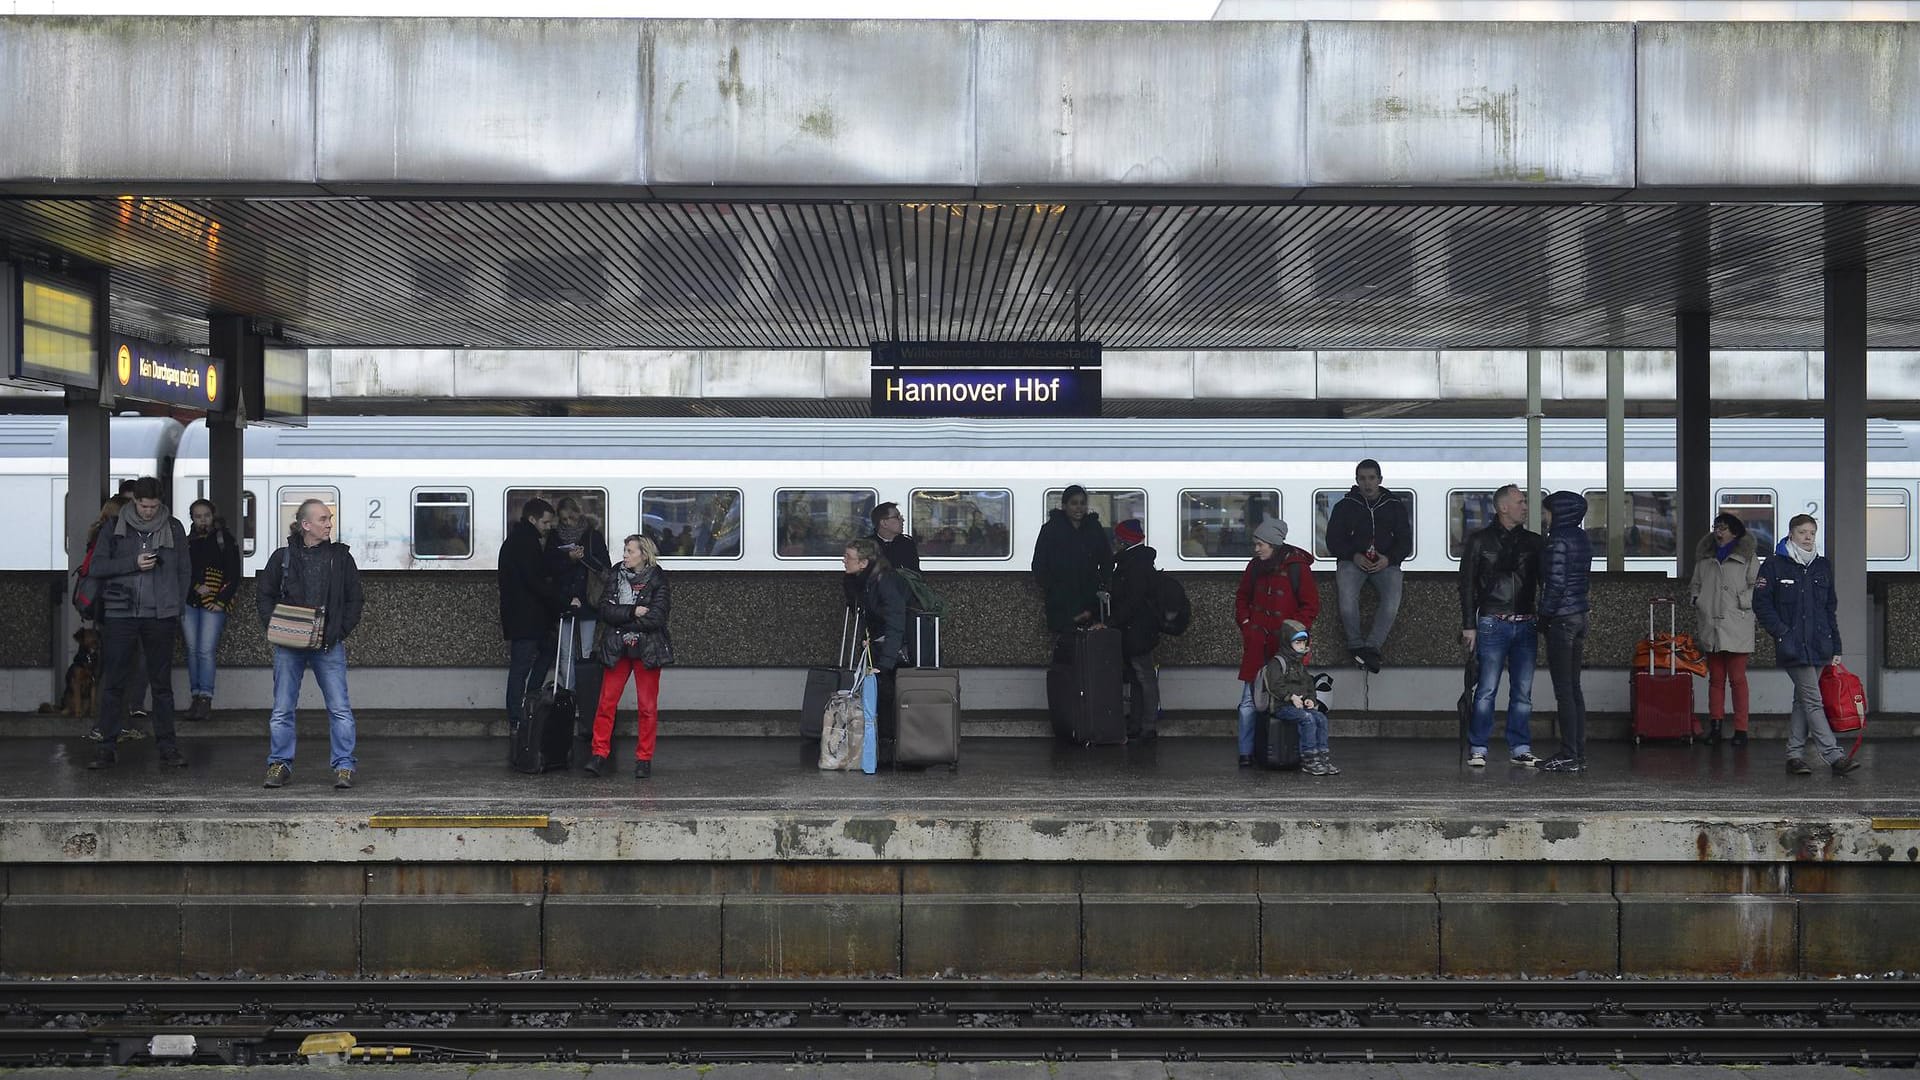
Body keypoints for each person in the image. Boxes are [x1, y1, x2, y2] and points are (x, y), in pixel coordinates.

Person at [82, 478, 191, 770]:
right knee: (115, 682)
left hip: (161, 615)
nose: (149, 512)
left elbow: (184, 570)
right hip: (121, 613)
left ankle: (168, 747)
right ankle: (106, 746)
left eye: (154, 507)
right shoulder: (114, 527)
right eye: (144, 506)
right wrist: (133, 562)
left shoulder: (175, 528)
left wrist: (176, 606)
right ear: (134, 502)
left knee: (161, 685)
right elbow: (96, 566)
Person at [257, 499, 366, 789]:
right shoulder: (282, 557)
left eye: (329, 518)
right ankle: (279, 763)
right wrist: (276, 626)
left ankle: (344, 766)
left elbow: (355, 599)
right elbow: (264, 594)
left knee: (339, 708)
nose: (329, 523)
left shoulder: (341, 558)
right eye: (322, 519)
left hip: (328, 644)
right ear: (306, 525)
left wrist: (338, 631)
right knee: (282, 708)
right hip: (288, 645)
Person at [1753, 514, 1859, 776]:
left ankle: (1794, 756)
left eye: (1812, 532)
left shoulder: (1822, 565)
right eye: (1802, 532)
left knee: (1802, 700)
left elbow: (1829, 608)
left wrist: (1836, 646)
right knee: (1813, 699)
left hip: (1821, 644)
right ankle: (1834, 756)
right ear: (1791, 535)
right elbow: (1761, 604)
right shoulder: (1774, 566)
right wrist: (1782, 633)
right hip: (1793, 645)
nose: (1808, 537)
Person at [1459, 484, 1544, 768]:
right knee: (1487, 690)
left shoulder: (1532, 542)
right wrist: (1469, 624)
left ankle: (1518, 746)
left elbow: (1544, 580)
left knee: (1522, 692)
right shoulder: (1480, 541)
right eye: (1520, 502)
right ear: (1503, 507)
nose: (1525, 506)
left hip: (1523, 621)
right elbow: (1467, 584)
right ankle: (1479, 746)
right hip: (1493, 622)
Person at [1234, 518, 1320, 767]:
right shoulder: (1255, 566)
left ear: (1273, 544)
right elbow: (1242, 598)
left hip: (1283, 648)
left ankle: (1291, 750)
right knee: (1249, 700)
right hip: (1258, 641)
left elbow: (1310, 605)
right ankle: (1245, 752)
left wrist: (1292, 633)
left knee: (1286, 696)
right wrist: (1248, 624)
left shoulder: (1297, 567)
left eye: (1260, 544)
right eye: (1256, 544)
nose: (1257, 549)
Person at [587, 534, 672, 780]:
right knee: (606, 704)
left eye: (629, 551)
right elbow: (605, 609)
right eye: (624, 550)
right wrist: (633, 611)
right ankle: (598, 754)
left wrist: (624, 622)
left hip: (647, 649)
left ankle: (644, 759)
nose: (624, 555)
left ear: (643, 555)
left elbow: (658, 616)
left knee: (647, 707)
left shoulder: (657, 578)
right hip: (617, 648)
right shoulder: (616, 574)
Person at [1324, 459, 1414, 673]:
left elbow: (1405, 541)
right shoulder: (1344, 506)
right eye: (1363, 478)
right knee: (1347, 602)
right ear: (1356, 480)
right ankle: (1356, 645)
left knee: (1392, 602)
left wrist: (1389, 559)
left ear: (1380, 480)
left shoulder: (1394, 506)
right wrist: (1353, 556)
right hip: (1352, 562)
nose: (1367, 483)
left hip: (1386, 562)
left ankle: (1371, 648)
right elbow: (1333, 540)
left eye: (1372, 478)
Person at [498, 497, 575, 733]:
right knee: (522, 666)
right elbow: (536, 580)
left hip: (525, 617)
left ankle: (527, 703)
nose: (549, 526)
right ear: (532, 519)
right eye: (545, 522)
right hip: (527, 618)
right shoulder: (525, 544)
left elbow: (537, 574)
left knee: (540, 653)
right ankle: (518, 717)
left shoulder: (520, 541)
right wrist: (563, 600)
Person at [1690, 512, 1760, 747]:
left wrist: (1743, 601)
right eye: (1716, 527)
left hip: (1737, 622)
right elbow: (1695, 585)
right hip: (1712, 623)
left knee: (1738, 679)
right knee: (1716, 679)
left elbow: (1757, 587)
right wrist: (1697, 599)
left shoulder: (1748, 558)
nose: (1718, 531)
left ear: (1735, 532)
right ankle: (1716, 727)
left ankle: (1741, 729)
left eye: (1723, 528)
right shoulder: (1705, 559)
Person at [1536, 491, 1593, 773]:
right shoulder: (1581, 537)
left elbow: (1555, 584)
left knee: (1564, 691)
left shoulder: (1557, 540)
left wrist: (1543, 617)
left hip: (1562, 619)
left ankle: (1568, 753)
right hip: (1580, 614)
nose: (1544, 517)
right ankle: (1578, 753)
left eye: (1547, 512)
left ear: (1558, 512)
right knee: (1574, 687)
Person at [843, 538, 908, 774]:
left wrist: (886, 663)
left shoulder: (884, 582)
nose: (843, 561)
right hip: (877, 645)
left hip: (890, 650)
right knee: (878, 697)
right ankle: (880, 753)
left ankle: (887, 753)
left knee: (886, 697)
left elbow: (895, 622)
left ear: (863, 562)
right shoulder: (866, 580)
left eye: (848, 557)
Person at [182, 498, 242, 720]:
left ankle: (205, 697)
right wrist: (195, 587)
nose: (202, 520)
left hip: (214, 601)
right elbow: (180, 571)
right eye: (198, 516)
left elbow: (233, 573)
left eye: (206, 515)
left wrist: (222, 600)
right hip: (189, 602)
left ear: (213, 515)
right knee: (193, 651)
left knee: (205, 651)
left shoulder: (223, 539)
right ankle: (196, 695)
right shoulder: (186, 542)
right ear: (192, 518)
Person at [1102, 518, 1161, 741]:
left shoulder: (1134, 564)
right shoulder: (1138, 560)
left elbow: (1132, 600)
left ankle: (1147, 725)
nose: (1115, 543)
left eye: (1118, 538)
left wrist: (1110, 621)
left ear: (1125, 540)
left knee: (1144, 677)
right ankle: (1139, 724)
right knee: (1139, 677)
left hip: (1137, 630)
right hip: (1137, 628)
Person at [1031, 485, 1112, 636]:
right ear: (1064, 506)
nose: (1079, 508)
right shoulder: (1051, 529)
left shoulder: (1094, 528)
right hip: (1061, 600)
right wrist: (1054, 589)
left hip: (1089, 598)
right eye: (1074, 503)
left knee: (1092, 645)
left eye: (1082, 503)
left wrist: (1100, 582)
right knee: (1065, 643)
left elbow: (1107, 558)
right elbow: (1039, 564)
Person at [1263, 620, 1337, 776]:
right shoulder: (1277, 663)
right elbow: (1275, 686)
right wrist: (1290, 697)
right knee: (1308, 719)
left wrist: (1311, 698)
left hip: (1299, 705)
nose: (1302, 646)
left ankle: (1322, 756)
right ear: (1288, 643)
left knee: (1321, 718)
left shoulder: (1299, 665)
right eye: (1298, 643)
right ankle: (1309, 758)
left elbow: (1308, 684)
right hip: (1281, 706)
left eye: (1304, 643)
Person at [547, 496, 610, 660]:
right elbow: (548, 567)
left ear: (578, 514)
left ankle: (583, 685)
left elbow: (605, 567)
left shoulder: (593, 536)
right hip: (563, 597)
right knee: (565, 650)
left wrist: (583, 557)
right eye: (564, 519)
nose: (568, 522)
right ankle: (569, 684)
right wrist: (569, 559)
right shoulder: (554, 536)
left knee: (586, 649)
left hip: (588, 596)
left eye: (571, 518)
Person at [869, 502, 920, 572]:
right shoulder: (868, 544)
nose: (902, 520)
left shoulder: (907, 543)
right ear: (884, 523)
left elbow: (915, 573)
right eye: (897, 517)